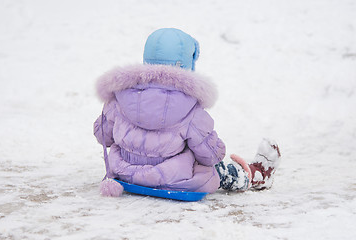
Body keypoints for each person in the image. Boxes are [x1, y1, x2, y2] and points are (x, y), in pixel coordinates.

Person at [93, 28, 281, 197]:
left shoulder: (119, 97)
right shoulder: (189, 105)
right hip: (173, 180)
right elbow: (211, 155)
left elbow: (103, 137)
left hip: (124, 175)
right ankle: (254, 175)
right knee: (214, 169)